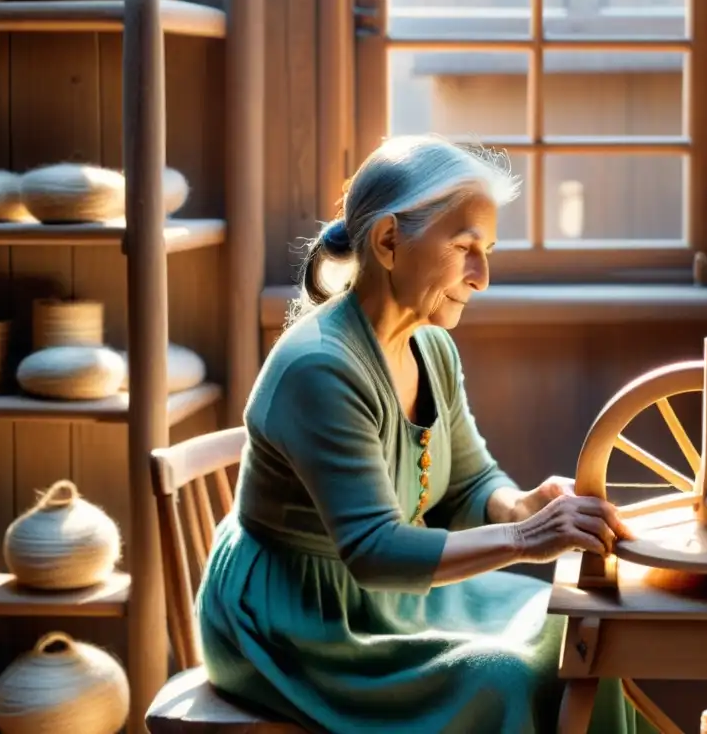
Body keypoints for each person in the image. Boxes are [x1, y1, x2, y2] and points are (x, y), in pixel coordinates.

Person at [196, 135, 658, 733]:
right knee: (506, 676)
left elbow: (469, 480)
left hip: (390, 600)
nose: (483, 277)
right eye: (465, 248)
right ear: (389, 241)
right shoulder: (320, 367)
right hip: (296, 621)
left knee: (580, 630)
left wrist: (522, 504)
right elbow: (375, 551)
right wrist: (523, 537)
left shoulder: (431, 345)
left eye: (487, 250)